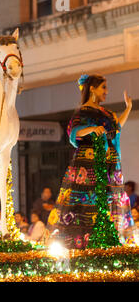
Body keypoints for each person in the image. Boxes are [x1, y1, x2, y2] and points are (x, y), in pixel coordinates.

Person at [47, 74, 136, 249]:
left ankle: (110, 244)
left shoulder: (107, 113)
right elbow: (74, 132)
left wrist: (128, 108)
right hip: (88, 165)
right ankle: (84, 244)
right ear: (92, 89)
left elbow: (116, 128)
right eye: (103, 87)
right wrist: (91, 129)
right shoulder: (82, 112)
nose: (107, 92)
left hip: (109, 164)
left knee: (108, 202)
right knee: (87, 203)